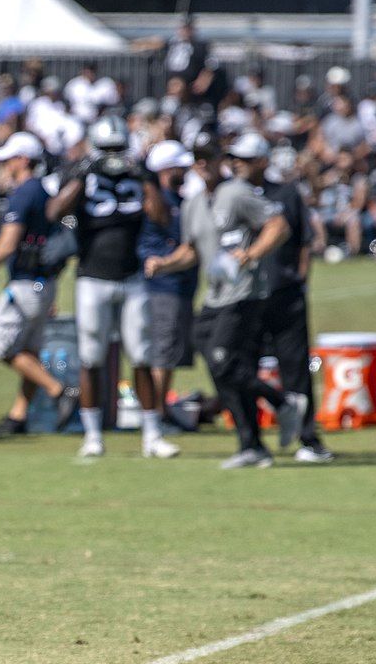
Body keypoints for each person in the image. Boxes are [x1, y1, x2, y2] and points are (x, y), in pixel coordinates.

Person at [144, 136, 301, 469]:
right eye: (197, 159)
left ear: (221, 162)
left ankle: (281, 402)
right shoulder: (193, 203)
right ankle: (252, 443)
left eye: (209, 158)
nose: (203, 164)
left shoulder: (237, 193)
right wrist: (165, 264)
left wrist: (251, 254)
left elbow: (278, 226)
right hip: (215, 295)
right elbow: (191, 251)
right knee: (217, 364)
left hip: (244, 292)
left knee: (223, 360)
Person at [46, 114, 174, 459]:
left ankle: (152, 435)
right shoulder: (81, 173)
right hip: (92, 277)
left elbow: (162, 217)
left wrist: (144, 177)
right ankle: (92, 435)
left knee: (142, 356)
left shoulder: (139, 174)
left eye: (118, 149)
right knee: (91, 357)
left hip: (132, 277)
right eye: (107, 149)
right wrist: (82, 173)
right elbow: (54, 211)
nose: (113, 156)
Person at [0, 131, 80, 438]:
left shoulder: (24, 192)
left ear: (23, 160)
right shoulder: (42, 191)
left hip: (26, 283)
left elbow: (8, 243)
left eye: (10, 158)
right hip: (45, 283)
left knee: (1, 344)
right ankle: (18, 416)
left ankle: (60, 391)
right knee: (29, 350)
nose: (5, 164)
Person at [232, 132, 333, 463]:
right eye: (237, 159)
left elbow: (304, 239)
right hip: (245, 296)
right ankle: (251, 441)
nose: (239, 164)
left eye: (246, 159)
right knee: (243, 367)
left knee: (295, 368)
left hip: (284, 292)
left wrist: (301, 281)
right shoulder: (232, 194)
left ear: (262, 161)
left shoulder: (286, 193)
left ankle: (308, 438)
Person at [139, 139, 197, 435]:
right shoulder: (157, 201)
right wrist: (166, 263)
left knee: (170, 350)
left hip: (178, 284)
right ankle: (157, 412)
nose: (185, 171)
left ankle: (161, 407)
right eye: (180, 167)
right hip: (162, 285)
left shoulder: (175, 200)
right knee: (162, 350)